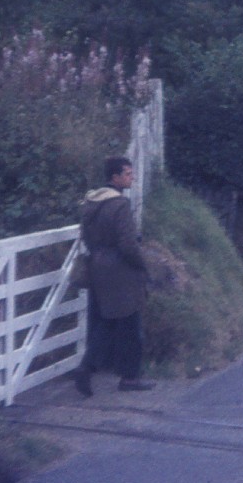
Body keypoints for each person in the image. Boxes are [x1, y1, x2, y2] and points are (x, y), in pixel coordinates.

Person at [74, 156, 155, 396]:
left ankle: (87, 368)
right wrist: (142, 265)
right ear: (115, 177)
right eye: (128, 174)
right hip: (120, 271)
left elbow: (86, 238)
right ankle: (129, 377)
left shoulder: (91, 202)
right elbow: (128, 244)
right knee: (130, 324)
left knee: (105, 323)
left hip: (97, 267)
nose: (132, 177)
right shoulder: (119, 204)